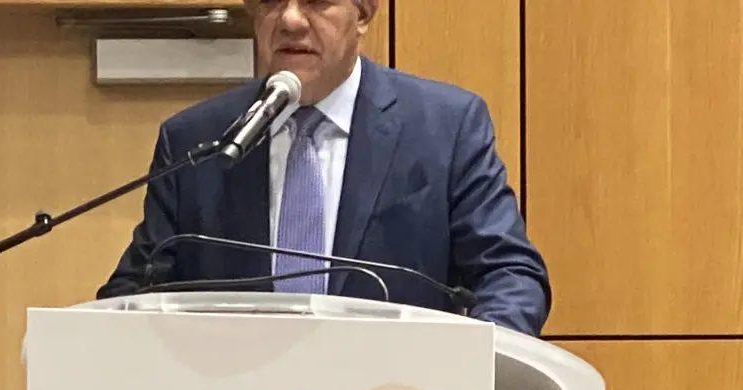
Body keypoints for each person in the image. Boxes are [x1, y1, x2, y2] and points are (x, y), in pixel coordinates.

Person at [96, 0, 552, 337]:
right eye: (271, 1)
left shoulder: (443, 128)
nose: (291, 20)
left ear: (364, 13)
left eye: (316, 1)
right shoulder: (198, 140)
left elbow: (509, 274)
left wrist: (476, 369)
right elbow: (135, 292)